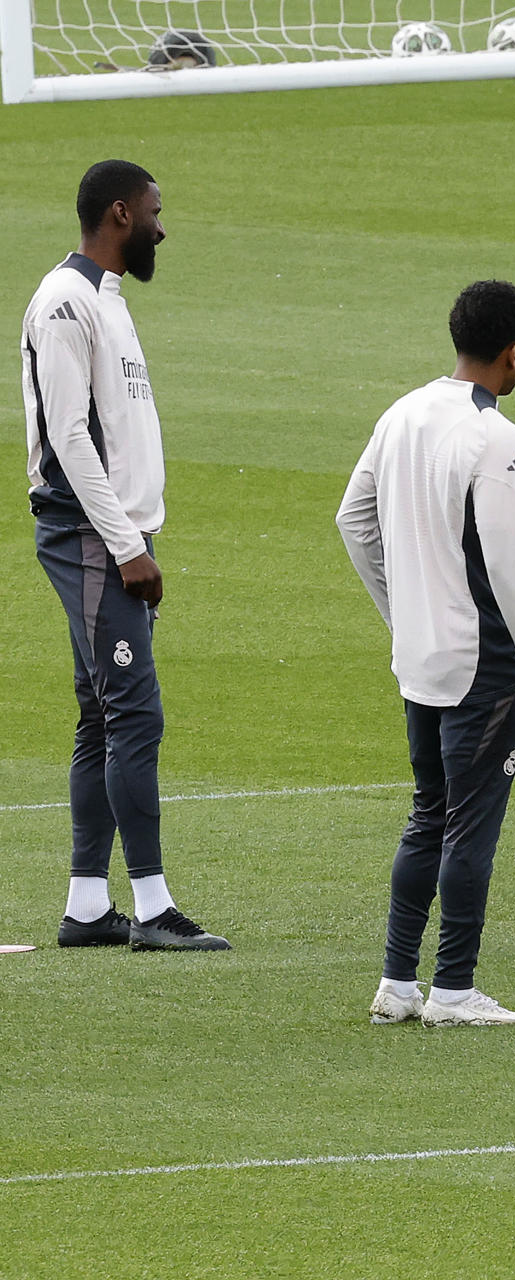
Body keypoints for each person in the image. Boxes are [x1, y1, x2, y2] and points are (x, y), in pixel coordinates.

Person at [337, 280, 515, 1028]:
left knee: (427, 813)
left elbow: (353, 520)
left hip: (421, 658)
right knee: (469, 823)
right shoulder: (497, 437)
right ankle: (455, 990)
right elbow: (507, 570)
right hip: (482, 662)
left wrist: (401, 613)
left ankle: (398, 984)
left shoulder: (403, 411)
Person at [24, 160, 229, 952]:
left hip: (115, 533)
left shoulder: (105, 302)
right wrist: (124, 546)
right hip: (90, 533)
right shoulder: (66, 303)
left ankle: (85, 907)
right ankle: (151, 908)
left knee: (100, 715)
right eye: (153, 211)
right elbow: (70, 436)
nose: (161, 226)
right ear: (118, 213)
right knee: (134, 713)